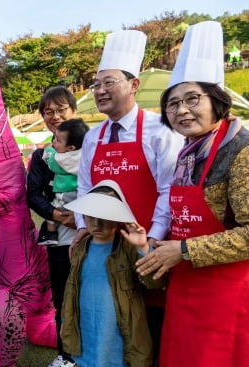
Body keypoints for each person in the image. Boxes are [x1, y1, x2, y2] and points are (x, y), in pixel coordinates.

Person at [135, 21, 249, 366]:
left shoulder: (241, 150)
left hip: (229, 293)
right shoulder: (187, 152)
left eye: (192, 99)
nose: (181, 110)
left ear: (217, 102)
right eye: (172, 104)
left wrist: (183, 250)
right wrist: (154, 246)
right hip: (186, 286)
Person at [74, 30, 183, 361]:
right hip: (104, 244)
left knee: (148, 321)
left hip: (146, 245)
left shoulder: (161, 131)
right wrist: (82, 226)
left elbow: (169, 189)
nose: (100, 91)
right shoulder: (94, 136)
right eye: (96, 84)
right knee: (109, 320)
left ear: (133, 85)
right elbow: (83, 187)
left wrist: (150, 242)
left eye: (109, 82)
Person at [61, 180, 165, 367]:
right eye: (91, 217)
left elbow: (155, 282)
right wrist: (66, 323)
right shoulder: (80, 248)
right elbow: (71, 291)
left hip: (118, 335)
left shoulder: (129, 248)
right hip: (85, 332)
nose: (97, 224)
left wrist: (143, 247)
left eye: (105, 217)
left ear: (117, 219)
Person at [26, 86, 78, 367]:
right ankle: (66, 355)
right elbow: (32, 194)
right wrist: (57, 215)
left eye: (61, 110)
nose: (55, 116)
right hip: (59, 237)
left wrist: (82, 217)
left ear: (74, 111)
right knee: (62, 296)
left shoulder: (94, 145)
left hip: (96, 235)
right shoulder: (41, 156)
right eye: (49, 112)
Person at [39, 118, 89, 245]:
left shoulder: (61, 159)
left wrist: (48, 148)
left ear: (71, 147)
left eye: (58, 140)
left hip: (65, 193)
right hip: (81, 195)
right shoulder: (85, 154)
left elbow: (50, 160)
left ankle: (51, 235)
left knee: (55, 212)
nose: (54, 142)